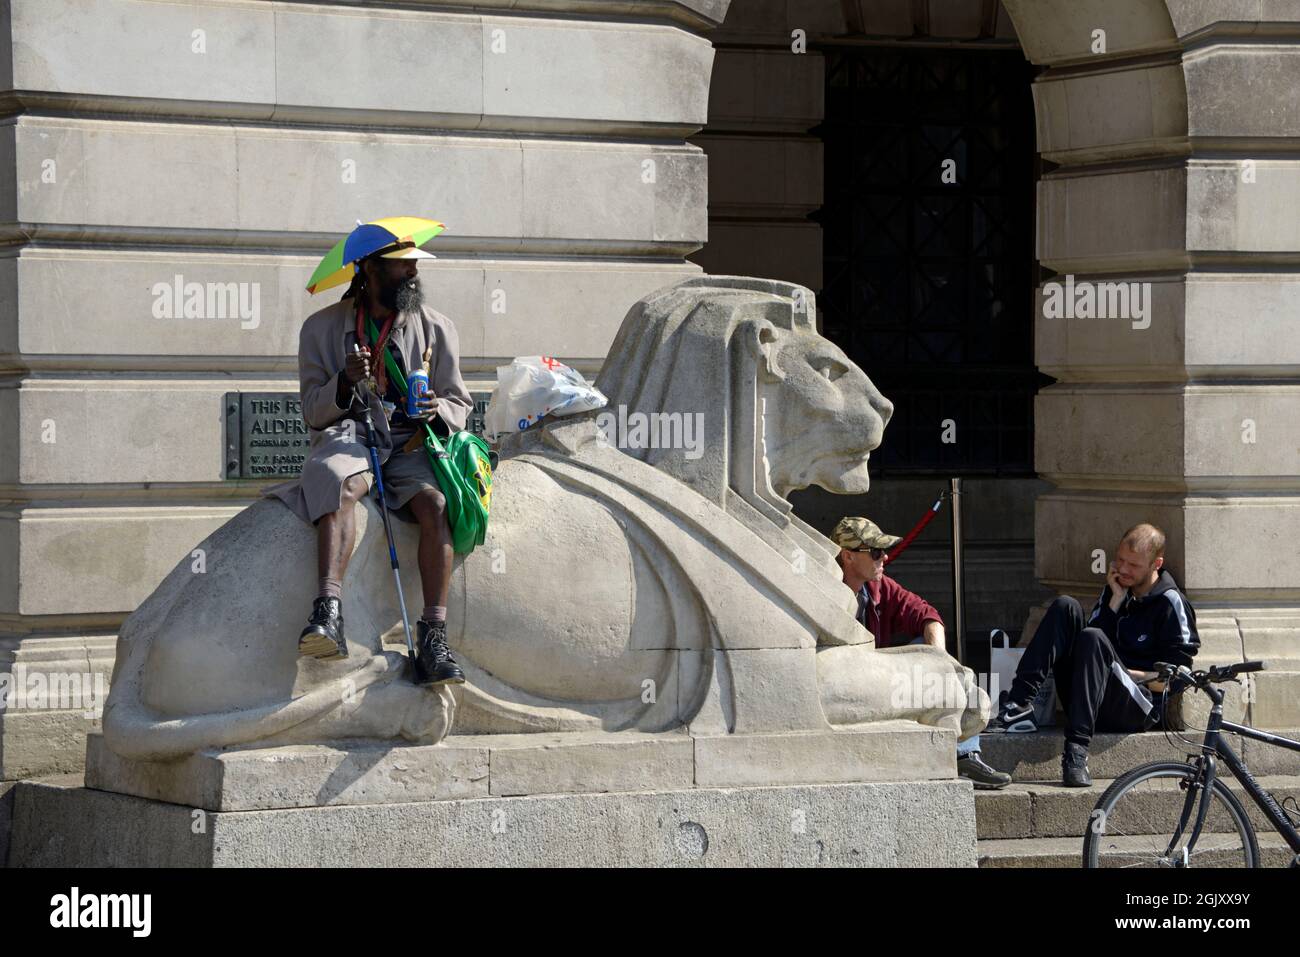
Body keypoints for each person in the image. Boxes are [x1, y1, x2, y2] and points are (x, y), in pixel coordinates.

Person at [265, 240, 474, 686]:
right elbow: (312, 411)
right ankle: (328, 612)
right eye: (402, 267)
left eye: (415, 265)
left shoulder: (438, 328)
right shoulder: (319, 330)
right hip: (353, 436)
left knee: (436, 506)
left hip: (411, 443)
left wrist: (436, 409)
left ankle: (434, 637)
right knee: (335, 480)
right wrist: (345, 381)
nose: (413, 274)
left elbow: (460, 402)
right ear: (370, 270)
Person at [988, 523, 1200, 787]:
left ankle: (1076, 752)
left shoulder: (1171, 602)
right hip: (1093, 696)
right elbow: (1091, 649)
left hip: (1135, 705)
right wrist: (1113, 604)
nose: (1123, 569)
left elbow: (1179, 678)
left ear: (1156, 563)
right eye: (1120, 559)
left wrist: (1126, 673)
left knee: (1092, 636)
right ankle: (1017, 705)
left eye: (1133, 565)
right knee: (1066, 606)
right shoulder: (1116, 588)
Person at [832, 516, 1011, 790]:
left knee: (932, 654)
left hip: (880, 680)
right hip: (850, 688)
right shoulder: (826, 593)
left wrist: (938, 660)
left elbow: (926, 614)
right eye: (876, 552)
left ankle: (966, 754)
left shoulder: (879, 586)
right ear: (848, 556)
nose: (885, 557)